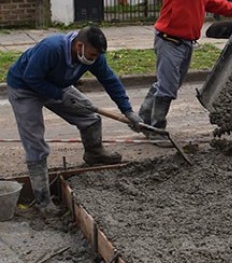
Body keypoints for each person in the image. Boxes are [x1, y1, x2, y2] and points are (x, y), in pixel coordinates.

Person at [7, 26, 142, 216]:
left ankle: (94, 153)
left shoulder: (92, 56)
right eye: (93, 54)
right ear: (79, 46)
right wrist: (58, 95)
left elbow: (109, 80)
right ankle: (43, 200)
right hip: (25, 87)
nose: (94, 59)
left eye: (97, 56)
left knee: (90, 117)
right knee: (35, 142)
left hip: (56, 86)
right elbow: (31, 77)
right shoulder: (51, 48)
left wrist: (127, 110)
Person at [138, 0, 232, 141]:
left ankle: (144, 117)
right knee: (168, 86)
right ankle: (156, 129)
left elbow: (213, 2)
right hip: (169, 40)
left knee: (169, 84)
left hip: (185, 43)